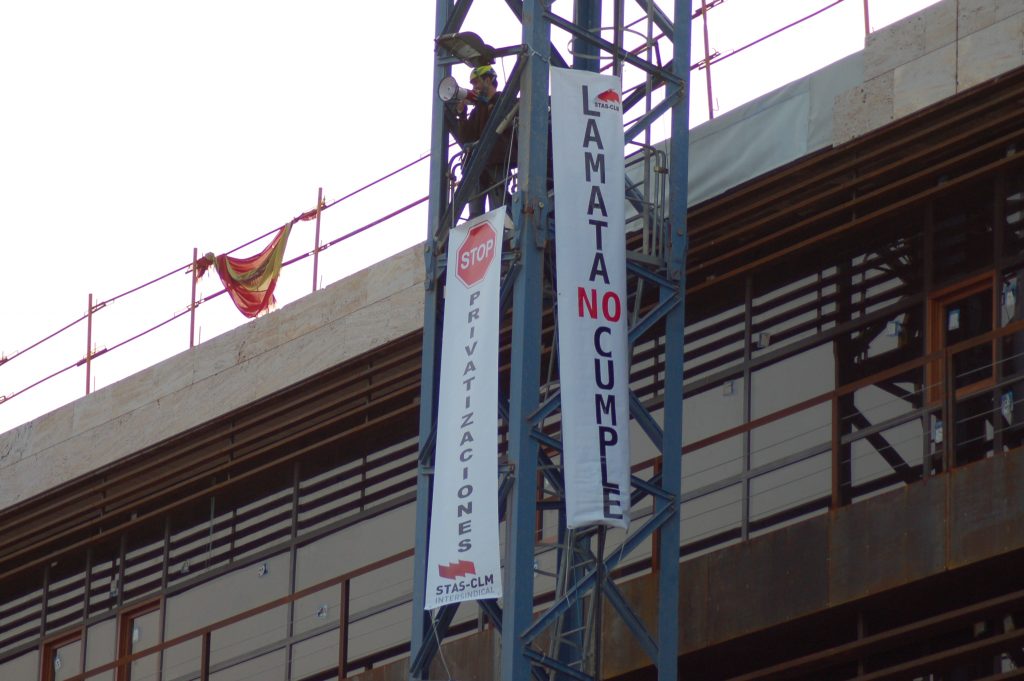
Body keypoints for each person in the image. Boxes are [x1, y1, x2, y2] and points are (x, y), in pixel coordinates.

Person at [453, 64, 517, 217]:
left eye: (476, 82)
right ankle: (476, 231)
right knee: (475, 207)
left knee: (498, 203)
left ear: (488, 80)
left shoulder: (505, 100)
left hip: (497, 161)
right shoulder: (478, 109)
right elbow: (466, 138)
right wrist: (462, 114)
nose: (474, 87)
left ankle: (503, 226)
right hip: (476, 163)